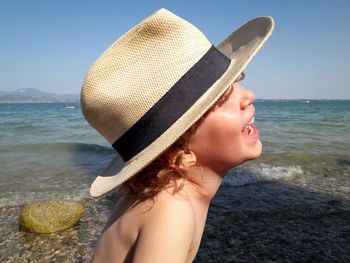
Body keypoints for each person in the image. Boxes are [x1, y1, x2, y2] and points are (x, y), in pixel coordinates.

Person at [81, 8, 274, 263]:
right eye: (223, 97)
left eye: (237, 80)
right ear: (181, 154)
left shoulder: (163, 196)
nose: (248, 95)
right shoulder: (173, 211)